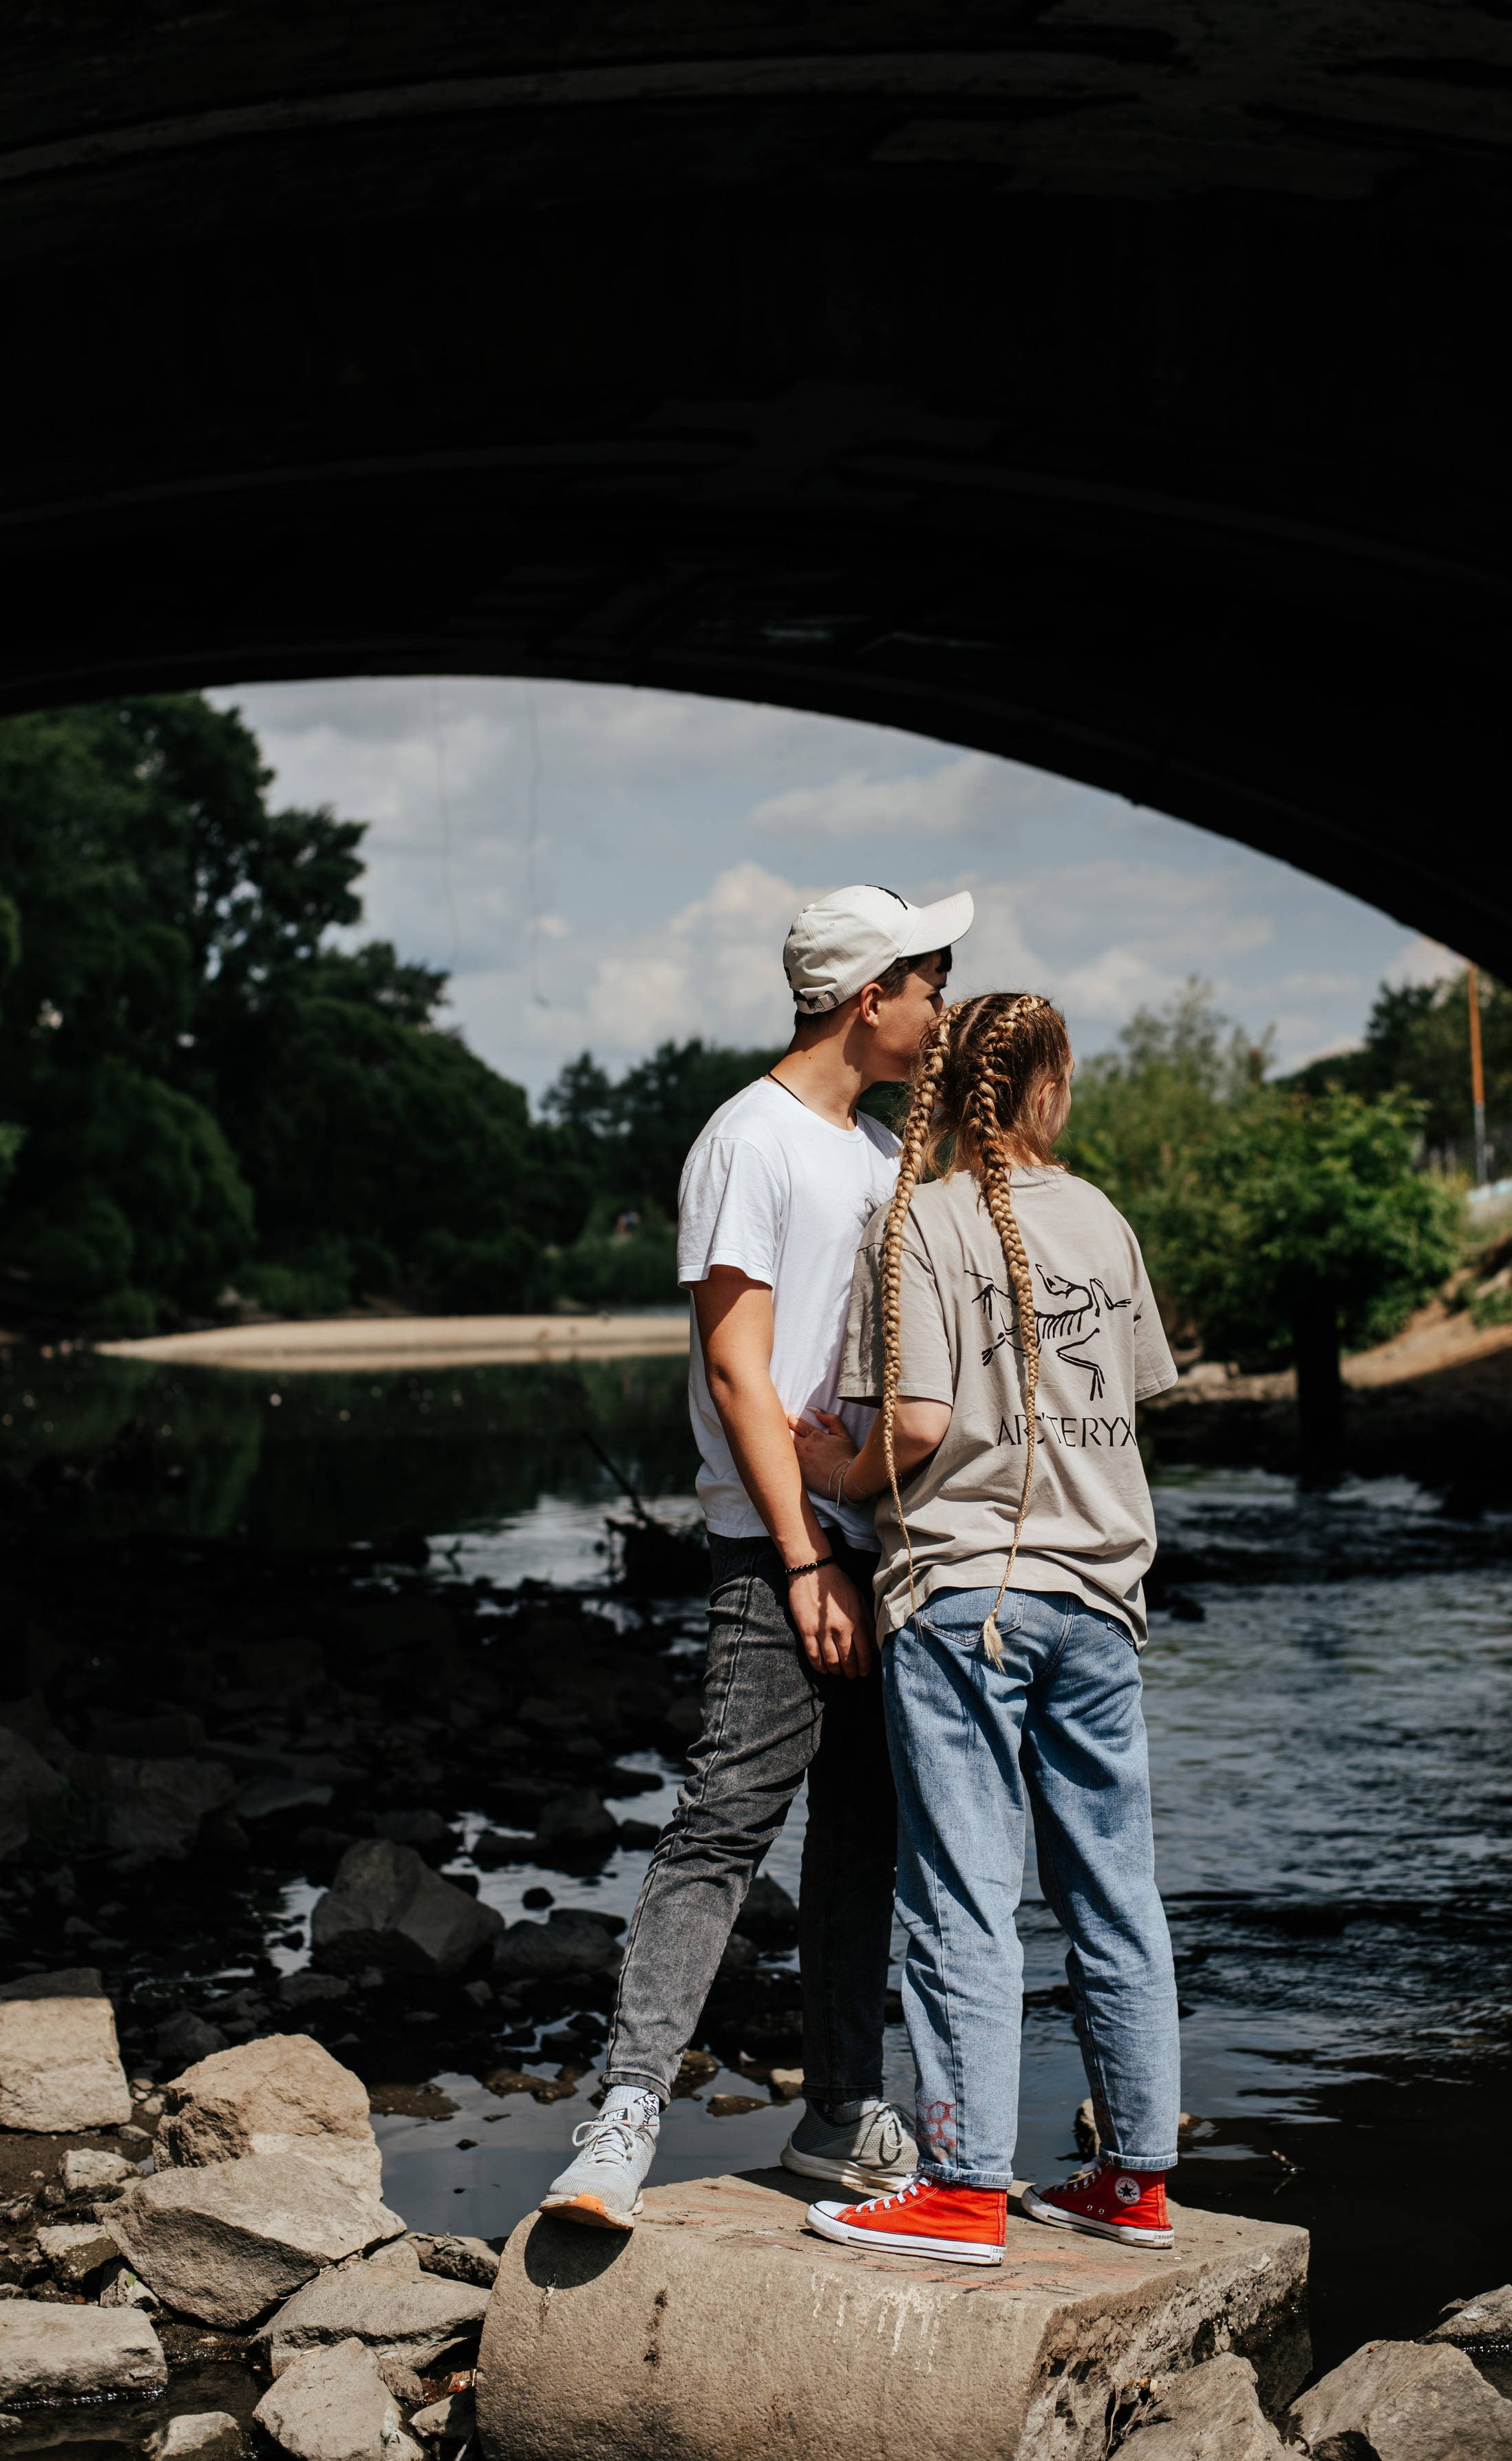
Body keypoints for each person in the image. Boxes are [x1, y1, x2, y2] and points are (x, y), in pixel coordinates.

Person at [537, 882, 975, 2230]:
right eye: (927, 979)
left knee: (861, 1835)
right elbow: (737, 1364)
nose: (939, 1003)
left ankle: (840, 2109)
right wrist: (798, 1559)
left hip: (867, 1534)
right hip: (780, 1545)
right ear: (868, 996)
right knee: (724, 1820)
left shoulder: (875, 1147)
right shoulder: (753, 1139)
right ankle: (620, 2121)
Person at [791, 990, 1182, 2268]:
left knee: (964, 1889)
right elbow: (1126, 1403)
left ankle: (962, 2186)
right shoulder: (1105, 1221)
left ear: (946, 1092)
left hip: (969, 1598)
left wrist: (831, 1477)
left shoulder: (920, 1223)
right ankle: (1134, 2182)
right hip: (1102, 1604)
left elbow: (910, 1428)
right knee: (1115, 1894)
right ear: (1051, 1089)